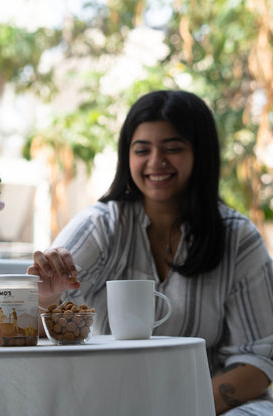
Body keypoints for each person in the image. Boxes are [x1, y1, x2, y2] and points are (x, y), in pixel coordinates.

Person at [27, 90, 273, 415]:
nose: (156, 162)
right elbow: (32, 317)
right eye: (142, 150)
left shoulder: (238, 238)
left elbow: (257, 359)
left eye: (173, 148)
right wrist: (45, 298)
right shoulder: (101, 225)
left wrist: (180, 409)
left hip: (204, 405)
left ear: (201, 154)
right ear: (127, 156)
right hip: (103, 400)